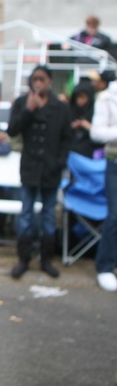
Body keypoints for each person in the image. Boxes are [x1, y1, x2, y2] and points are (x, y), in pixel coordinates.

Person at [6, 65, 72, 280]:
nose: (38, 83)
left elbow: (66, 138)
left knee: (48, 215)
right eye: (35, 79)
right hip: (30, 168)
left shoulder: (60, 107)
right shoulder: (22, 103)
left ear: (50, 81)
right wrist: (29, 109)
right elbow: (12, 130)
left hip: (51, 169)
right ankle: (23, 259)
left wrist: (60, 162)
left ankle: (46, 260)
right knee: (26, 213)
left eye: (42, 79)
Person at [90, 70, 117, 291]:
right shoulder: (107, 97)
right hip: (114, 161)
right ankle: (105, 266)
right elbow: (97, 133)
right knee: (115, 215)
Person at [68, 79, 103, 158]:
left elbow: (102, 135)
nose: (79, 101)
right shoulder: (71, 112)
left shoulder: (96, 114)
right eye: (77, 97)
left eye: (83, 97)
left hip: (91, 158)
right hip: (72, 157)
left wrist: (86, 125)